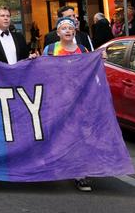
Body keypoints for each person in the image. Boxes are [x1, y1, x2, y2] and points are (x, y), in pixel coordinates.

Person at [42, 16, 105, 193]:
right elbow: (42, 71)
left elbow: (91, 71)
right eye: (64, 28)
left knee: (80, 136)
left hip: (80, 101)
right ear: (57, 32)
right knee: (58, 134)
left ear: (74, 32)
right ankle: (54, 167)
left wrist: (100, 59)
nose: (68, 31)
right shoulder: (50, 49)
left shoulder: (83, 49)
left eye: (70, 28)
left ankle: (80, 174)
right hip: (57, 100)